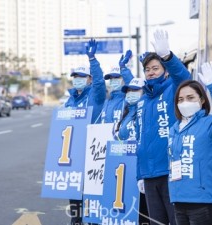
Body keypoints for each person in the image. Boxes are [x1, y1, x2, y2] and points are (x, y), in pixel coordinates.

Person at [135, 29, 191, 225]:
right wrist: (139, 174)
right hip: (149, 176)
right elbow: (140, 140)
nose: (150, 72)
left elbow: (184, 78)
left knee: (176, 221)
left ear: (165, 71)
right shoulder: (142, 101)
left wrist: (167, 57)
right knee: (156, 223)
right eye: (147, 69)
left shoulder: (173, 91)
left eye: (155, 68)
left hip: (170, 172)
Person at [167, 62, 212, 225]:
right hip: (178, 200)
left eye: (190, 98)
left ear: (202, 100)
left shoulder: (210, 123)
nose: (184, 103)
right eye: (180, 99)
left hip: (203, 202)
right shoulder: (175, 128)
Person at [64, 38, 106, 225]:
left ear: (89, 79)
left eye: (82, 76)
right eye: (75, 76)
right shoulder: (70, 100)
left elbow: (99, 83)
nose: (77, 79)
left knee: (91, 200)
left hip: (92, 156)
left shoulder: (95, 96)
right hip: (73, 156)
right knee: (75, 203)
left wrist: (92, 60)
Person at [113, 77, 150, 225]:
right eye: (128, 90)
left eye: (135, 90)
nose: (130, 93)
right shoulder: (127, 113)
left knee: (145, 213)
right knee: (130, 212)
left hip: (143, 169)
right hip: (126, 170)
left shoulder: (147, 110)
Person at [99, 50, 134, 124]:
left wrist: (123, 69)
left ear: (124, 79)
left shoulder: (128, 99)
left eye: (116, 78)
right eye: (111, 78)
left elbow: (132, 85)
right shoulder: (107, 101)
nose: (113, 80)